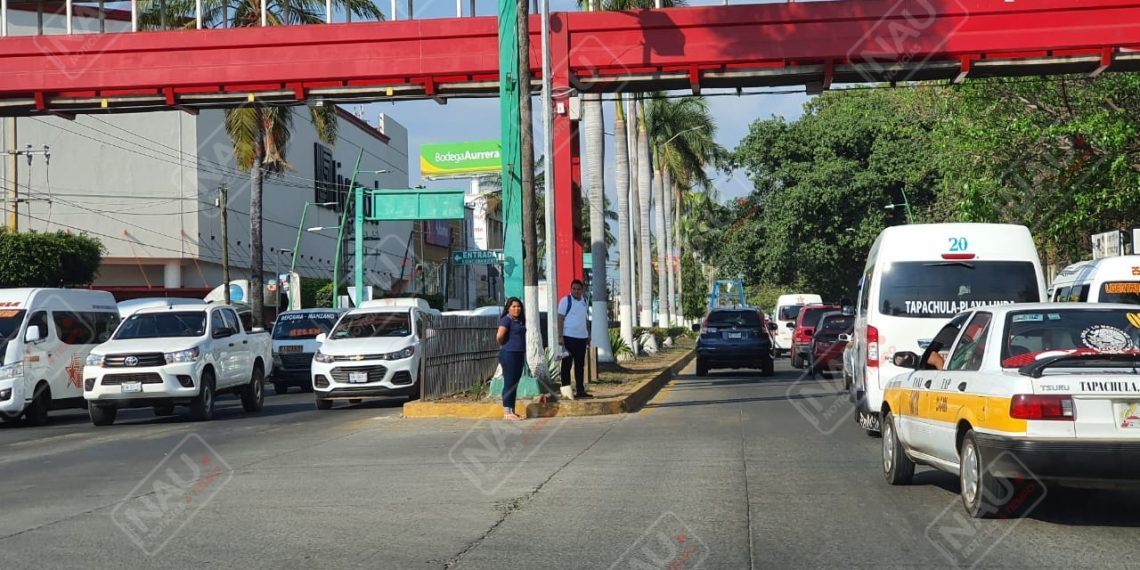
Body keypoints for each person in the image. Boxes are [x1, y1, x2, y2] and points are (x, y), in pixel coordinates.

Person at [557, 279, 592, 398]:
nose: (576, 291)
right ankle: (566, 392)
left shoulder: (584, 301)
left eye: (578, 289)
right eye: (574, 289)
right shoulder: (565, 301)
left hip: (582, 338)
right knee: (566, 365)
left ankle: (580, 390)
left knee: (580, 365)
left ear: (582, 290)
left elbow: (585, 319)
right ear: (571, 289)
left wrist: (588, 335)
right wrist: (560, 336)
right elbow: (560, 319)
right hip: (568, 338)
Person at [496, 297, 526, 421]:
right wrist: (505, 345)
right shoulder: (506, 320)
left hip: (519, 354)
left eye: (518, 306)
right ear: (508, 308)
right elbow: (499, 336)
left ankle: (512, 410)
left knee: (514, 382)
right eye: (513, 306)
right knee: (509, 382)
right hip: (509, 354)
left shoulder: (519, 321)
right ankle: (507, 411)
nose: (516, 309)